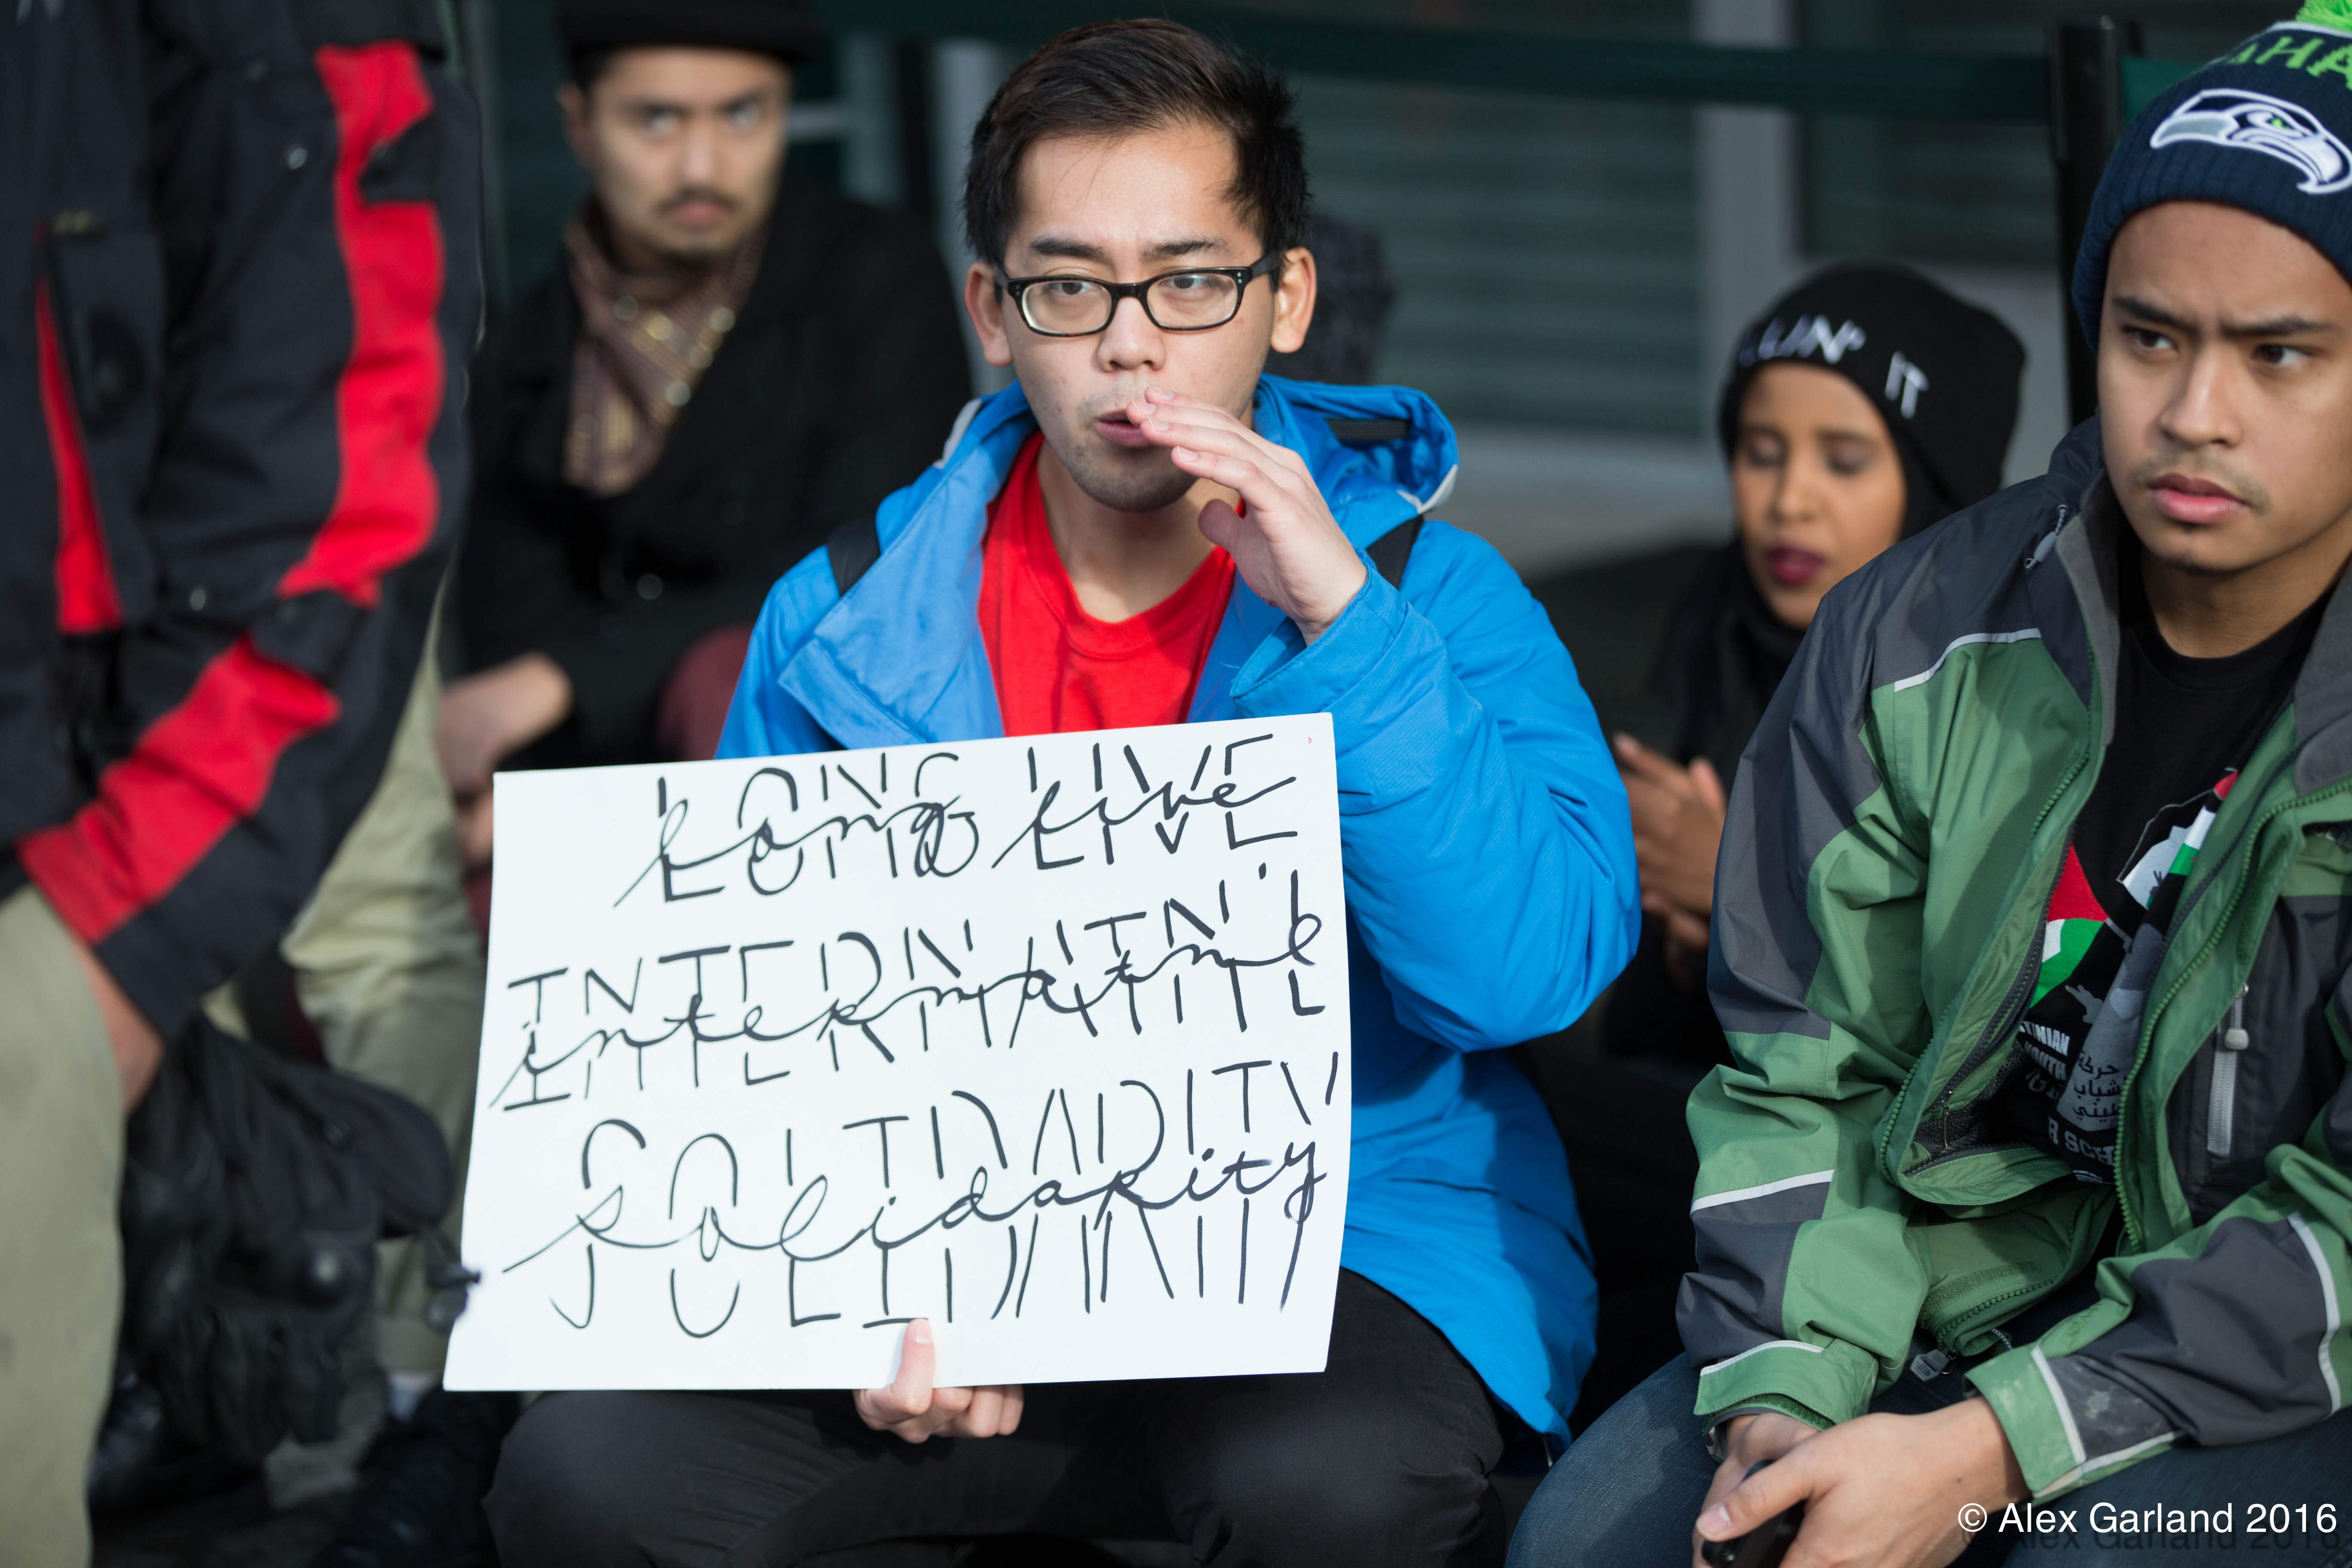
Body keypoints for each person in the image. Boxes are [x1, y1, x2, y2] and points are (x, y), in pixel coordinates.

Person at [486, 20, 1638, 1567]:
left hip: (1343, 1237)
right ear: (992, 312)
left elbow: (1525, 980)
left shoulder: (1433, 592)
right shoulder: (839, 615)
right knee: (584, 1476)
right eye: (1069, 287)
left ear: (1287, 298)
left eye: (1192, 282)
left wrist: (1347, 627)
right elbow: (763, 1054)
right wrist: (864, 1284)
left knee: (1331, 1485)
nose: (1131, 344)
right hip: (930, 1260)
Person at [1513, 7, 2352, 1565]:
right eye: (2150, 337)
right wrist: (1785, 1390)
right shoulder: (1914, 628)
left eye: (2279, 353)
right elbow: (1800, 1069)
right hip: (1941, 1281)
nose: (2195, 410)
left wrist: (1990, 1452)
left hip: (2282, 1362)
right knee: (1600, 1543)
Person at [0, 1, 481, 1561]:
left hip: (103, 785)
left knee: (375, 930)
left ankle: (417, 1392)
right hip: (115, 759)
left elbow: (352, 407)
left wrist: (105, 953)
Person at [444, 0, 970, 867]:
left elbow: (875, 557)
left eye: (741, 115)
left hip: (822, 792)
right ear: (580, 126)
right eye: (656, 119)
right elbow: (508, 631)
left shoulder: (870, 278)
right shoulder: (529, 350)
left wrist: (568, 677)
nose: (701, 166)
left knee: (730, 672)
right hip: (603, 778)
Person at [1606, 266, 2024, 1073]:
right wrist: (1695, 950)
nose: (1789, 500)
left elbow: (1981, 1030)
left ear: (1936, 489)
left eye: (1844, 461)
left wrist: (1738, 887)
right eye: (1761, 453)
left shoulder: (2007, 698)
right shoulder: (1717, 639)